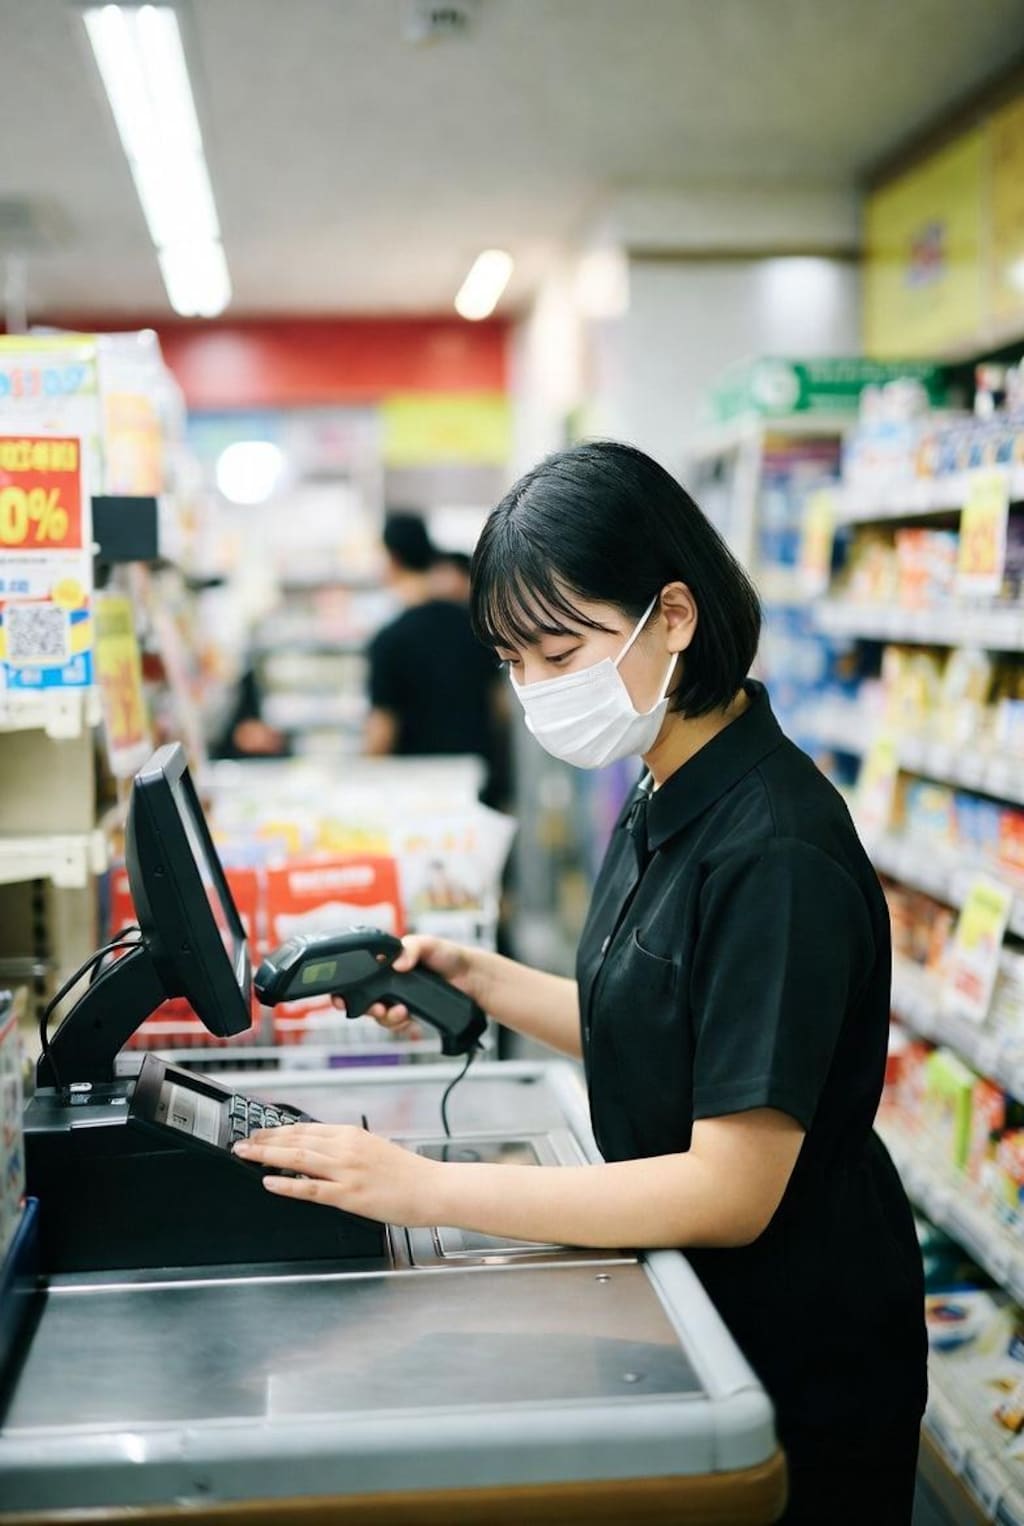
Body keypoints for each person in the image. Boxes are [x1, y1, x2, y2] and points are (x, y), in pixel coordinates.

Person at [234, 443, 927, 1524]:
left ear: (674, 616)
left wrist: (423, 1187)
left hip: (797, 1344)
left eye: (562, 652)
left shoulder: (772, 851)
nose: (538, 691)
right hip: (696, 1303)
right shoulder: (664, 785)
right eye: (514, 661)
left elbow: (728, 1190)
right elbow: (655, 1025)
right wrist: (478, 976)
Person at [364, 513, 505, 806]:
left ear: (392, 560)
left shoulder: (389, 640)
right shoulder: (475, 626)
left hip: (417, 789)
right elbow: (499, 707)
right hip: (478, 778)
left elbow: (382, 729)